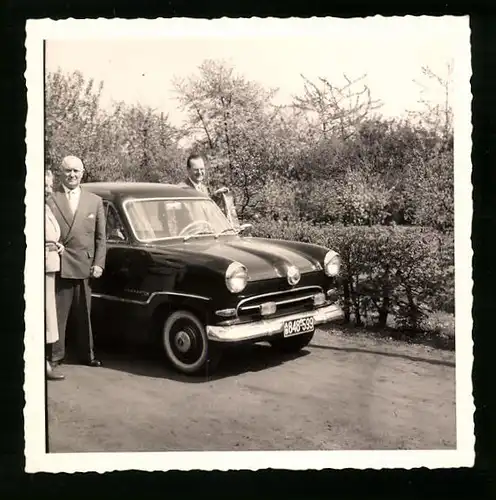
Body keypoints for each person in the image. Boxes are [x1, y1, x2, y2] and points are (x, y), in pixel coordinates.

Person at [47, 156, 106, 368]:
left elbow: (101, 237)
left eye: (76, 171)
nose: (72, 175)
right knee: (58, 314)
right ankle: (55, 356)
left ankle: (86, 356)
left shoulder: (94, 200)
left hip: (85, 265)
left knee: (84, 315)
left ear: (82, 173)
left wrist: (99, 263)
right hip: (60, 263)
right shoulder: (51, 199)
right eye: (68, 171)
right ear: (61, 173)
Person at [45, 169, 65, 381]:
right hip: (41, 266)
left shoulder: (46, 207)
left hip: (50, 265)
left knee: (48, 314)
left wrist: (56, 245)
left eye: (49, 185)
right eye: (44, 186)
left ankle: (45, 363)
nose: (48, 189)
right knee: (43, 315)